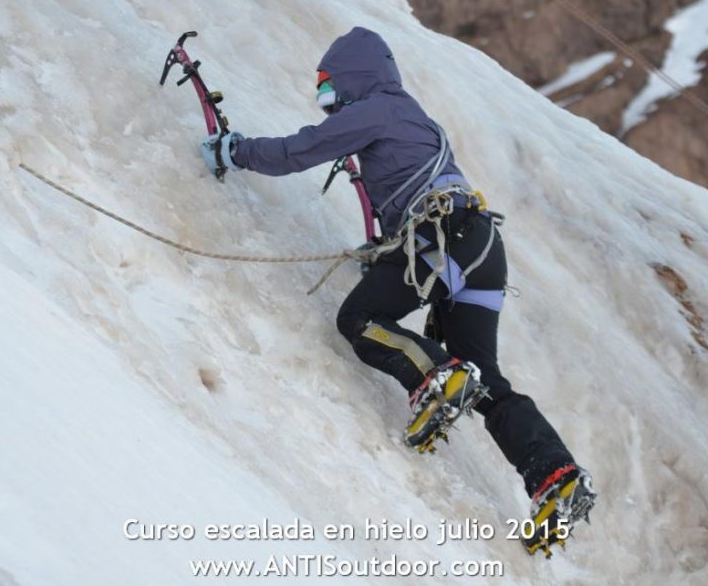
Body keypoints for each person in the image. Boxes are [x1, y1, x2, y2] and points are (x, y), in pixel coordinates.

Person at [200, 27, 595, 553]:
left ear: (353, 78)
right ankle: (555, 476)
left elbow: (303, 149)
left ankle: (435, 377)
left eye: (327, 90)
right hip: (479, 247)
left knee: (358, 320)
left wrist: (236, 151)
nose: (326, 105)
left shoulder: (377, 107)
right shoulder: (412, 116)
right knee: (483, 374)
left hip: (444, 238)